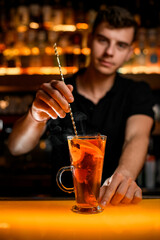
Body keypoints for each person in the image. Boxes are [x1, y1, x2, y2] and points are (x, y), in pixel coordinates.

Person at [8, 6, 154, 206]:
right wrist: (35, 115)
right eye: (103, 40)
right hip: (62, 208)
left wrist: (125, 175)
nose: (109, 52)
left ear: (129, 52)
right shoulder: (59, 91)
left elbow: (137, 137)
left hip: (112, 206)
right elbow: (16, 147)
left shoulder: (136, 92)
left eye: (120, 45)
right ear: (90, 40)